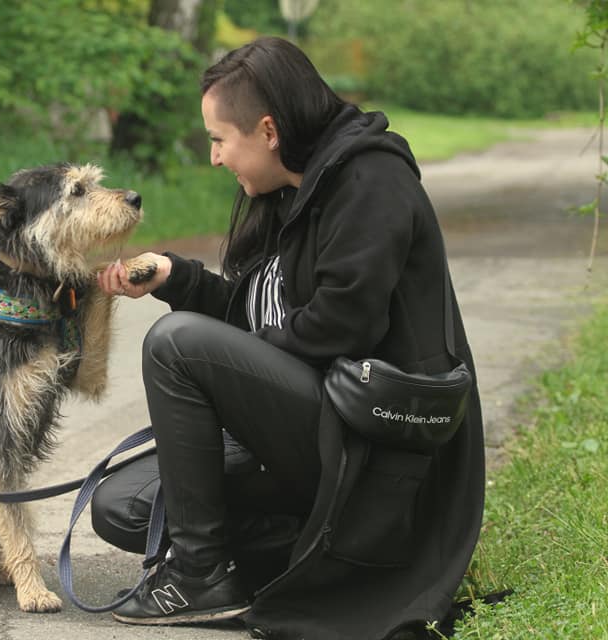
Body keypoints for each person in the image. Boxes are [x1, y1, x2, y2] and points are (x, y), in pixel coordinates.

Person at [90, 36, 485, 639]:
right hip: (312, 437)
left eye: (219, 139)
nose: (214, 158)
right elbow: (263, 322)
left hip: (374, 451)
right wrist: (179, 278)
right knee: (123, 506)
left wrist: (228, 378)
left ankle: (201, 575)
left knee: (175, 343)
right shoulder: (286, 193)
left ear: (269, 131)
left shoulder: (370, 181)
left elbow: (337, 327)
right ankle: (317, 555)